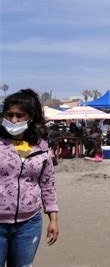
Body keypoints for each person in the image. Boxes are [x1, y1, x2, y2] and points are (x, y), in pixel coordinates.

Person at [0, 89, 59, 266]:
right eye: (9, 115)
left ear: (31, 117)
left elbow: (48, 185)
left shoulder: (40, 147)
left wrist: (53, 219)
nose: (13, 120)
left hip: (29, 224)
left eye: (20, 115)